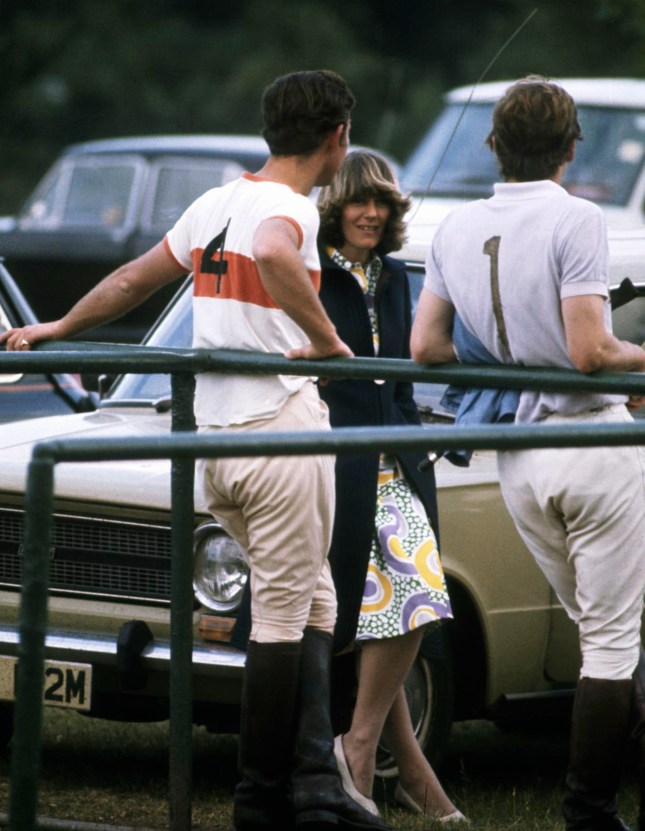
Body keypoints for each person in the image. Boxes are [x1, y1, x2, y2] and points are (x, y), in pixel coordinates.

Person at [1, 70, 391, 831]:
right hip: (278, 428)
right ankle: (260, 799)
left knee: (314, 595)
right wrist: (326, 339)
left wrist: (55, 329)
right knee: (282, 609)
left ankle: (316, 782)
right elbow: (277, 255)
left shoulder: (216, 202)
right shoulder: (289, 211)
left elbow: (129, 280)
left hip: (214, 439)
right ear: (337, 139)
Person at [410, 75, 645, 831]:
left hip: (520, 458)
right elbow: (588, 350)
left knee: (602, 634)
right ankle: (588, 812)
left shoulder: (451, 228)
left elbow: (426, 347)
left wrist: (505, 349)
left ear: (493, 145)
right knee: (610, 646)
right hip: (590, 441)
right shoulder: (575, 218)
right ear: (570, 148)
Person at [316, 151, 466, 824]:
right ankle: (403, 771)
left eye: (381, 202)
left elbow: (403, 376)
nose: (371, 213)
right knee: (399, 603)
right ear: (335, 206)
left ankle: (360, 749)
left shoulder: (398, 273)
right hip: (338, 461)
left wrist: (411, 445)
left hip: (396, 459)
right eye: (358, 201)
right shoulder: (312, 271)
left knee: (414, 598)